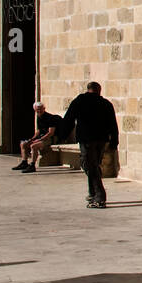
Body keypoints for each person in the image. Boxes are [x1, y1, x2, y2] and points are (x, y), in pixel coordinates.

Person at [61, 81, 118, 209]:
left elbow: (69, 118)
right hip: (101, 139)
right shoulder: (106, 104)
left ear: (88, 89)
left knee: (89, 165)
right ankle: (92, 193)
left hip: (87, 139)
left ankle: (99, 197)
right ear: (99, 90)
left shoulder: (80, 101)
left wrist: (63, 135)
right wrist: (114, 141)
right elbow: (113, 124)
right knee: (94, 165)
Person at [12, 102, 62, 173]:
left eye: (40, 109)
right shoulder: (39, 117)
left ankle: (32, 165)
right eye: (37, 110)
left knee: (34, 146)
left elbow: (50, 133)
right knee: (23, 144)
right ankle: (24, 162)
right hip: (41, 137)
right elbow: (38, 131)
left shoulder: (51, 118)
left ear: (44, 109)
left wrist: (39, 140)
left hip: (50, 139)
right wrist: (32, 139)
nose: (39, 111)